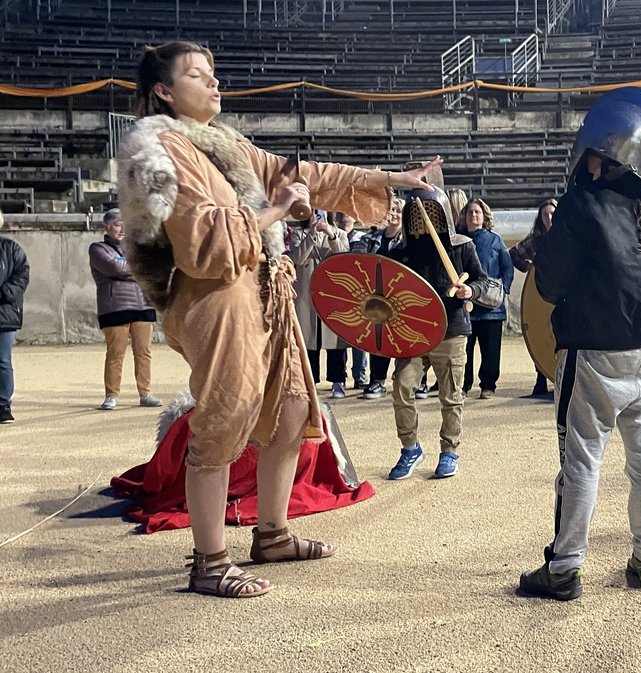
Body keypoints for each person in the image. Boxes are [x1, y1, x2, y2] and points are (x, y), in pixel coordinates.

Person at [117, 41, 440, 598]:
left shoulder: (224, 145)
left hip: (264, 285)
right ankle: (209, 561)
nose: (214, 84)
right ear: (165, 91)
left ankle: (272, 535)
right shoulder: (162, 151)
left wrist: (391, 180)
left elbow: (302, 173)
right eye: (198, 75)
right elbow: (200, 246)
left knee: (292, 407)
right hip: (215, 293)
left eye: (214, 73)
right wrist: (273, 210)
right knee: (224, 415)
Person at [519, 87, 641, 601]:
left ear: (602, 156)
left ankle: (565, 567)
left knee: (581, 458)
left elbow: (549, 286)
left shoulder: (581, 203)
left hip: (592, 352)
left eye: (589, 154)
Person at [384, 188, 488, 481]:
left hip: (452, 328)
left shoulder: (462, 246)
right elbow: (381, 277)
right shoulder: (402, 251)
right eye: (417, 213)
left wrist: (471, 290)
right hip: (413, 332)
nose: (423, 218)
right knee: (403, 387)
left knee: (451, 394)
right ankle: (410, 448)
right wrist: (389, 235)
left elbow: (482, 280)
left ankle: (449, 450)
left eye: (430, 212)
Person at [89, 208, 161, 410]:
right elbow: (115, 268)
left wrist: (131, 265)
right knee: (115, 353)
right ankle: (111, 394)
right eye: (118, 224)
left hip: (143, 305)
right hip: (115, 307)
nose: (122, 229)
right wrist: (137, 267)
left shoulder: (138, 247)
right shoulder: (98, 248)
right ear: (107, 227)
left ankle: (145, 393)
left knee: (144, 352)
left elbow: (149, 267)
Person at [288, 209, 351, 399]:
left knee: (335, 341)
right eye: (314, 211)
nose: (318, 214)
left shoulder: (339, 233)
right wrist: (312, 235)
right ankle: (310, 382)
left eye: (322, 211)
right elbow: (297, 259)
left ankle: (338, 381)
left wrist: (330, 235)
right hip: (306, 294)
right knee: (309, 340)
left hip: (332, 294)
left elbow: (343, 257)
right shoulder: (299, 235)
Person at [458, 197, 513, 399]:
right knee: (465, 350)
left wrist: (502, 289)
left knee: (491, 350)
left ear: (484, 216)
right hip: (465, 305)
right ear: (464, 216)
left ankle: (488, 385)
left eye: (477, 212)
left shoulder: (495, 240)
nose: (474, 215)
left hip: (491, 308)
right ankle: (463, 386)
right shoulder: (458, 239)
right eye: (470, 212)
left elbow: (507, 267)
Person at [355, 195, 405, 400]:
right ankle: (377, 380)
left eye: (398, 211)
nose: (394, 214)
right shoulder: (371, 239)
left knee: (403, 339)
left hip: (402, 297)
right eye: (391, 209)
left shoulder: (411, 240)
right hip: (377, 297)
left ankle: (410, 380)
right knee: (378, 339)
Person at [509, 198, 557, 397]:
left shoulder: (569, 235)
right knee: (539, 333)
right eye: (545, 214)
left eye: (552, 214)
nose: (549, 218)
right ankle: (541, 378)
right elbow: (514, 254)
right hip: (541, 293)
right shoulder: (537, 240)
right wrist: (531, 270)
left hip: (566, 292)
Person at [333, 211, 369, 389]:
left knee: (358, 337)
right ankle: (339, 376)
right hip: (337, 292)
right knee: (338, 336)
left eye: (348, 213)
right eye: (340, 213)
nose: (344, 215)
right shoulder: (330, 235)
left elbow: (357, 261)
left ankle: (360, 375)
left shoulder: (361, 238)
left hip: (358, 293)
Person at [0, 210, 28, 425]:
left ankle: (3, 405)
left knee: (2, 361)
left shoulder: (11, 249)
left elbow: (21, 277)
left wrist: (3, 292)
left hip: (4, 313)